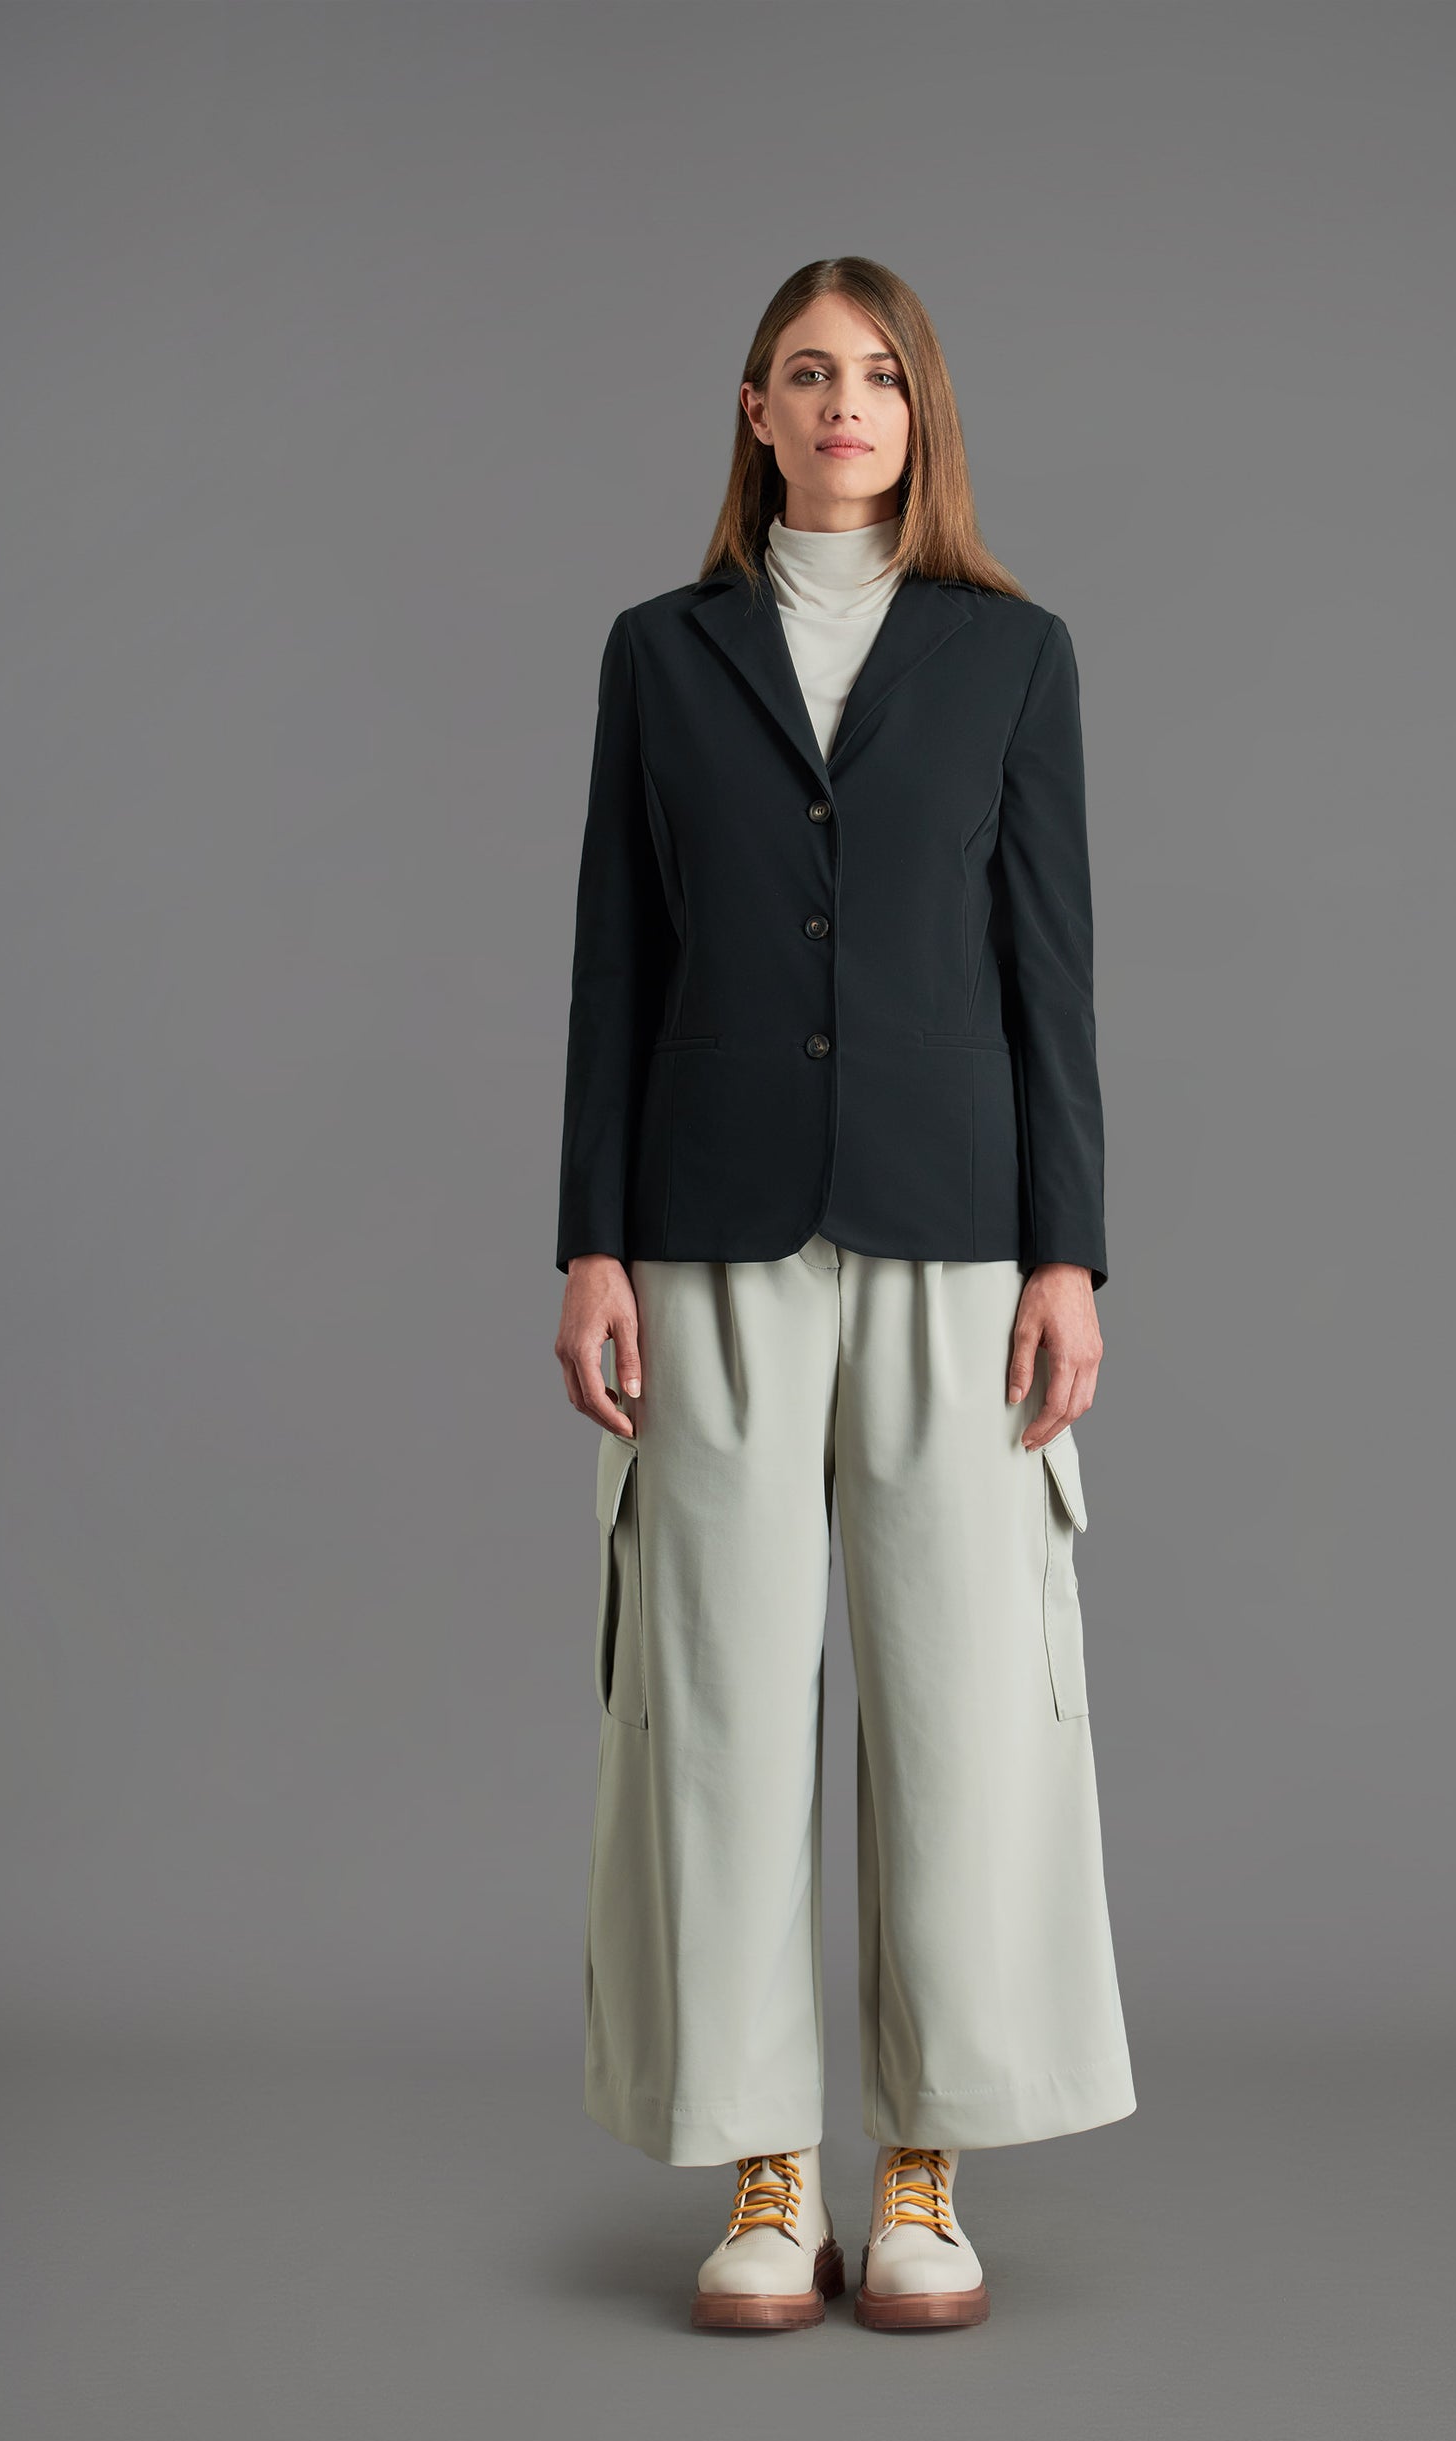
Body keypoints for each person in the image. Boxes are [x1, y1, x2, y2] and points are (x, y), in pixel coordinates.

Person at [553, 256, 1134, 2334]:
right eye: (804, 372)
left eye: (877, 373)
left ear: (919, 409)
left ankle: (923, 2170)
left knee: (960, 1706)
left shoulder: (1010, 654)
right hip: (707, 1227)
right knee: (717, 1703)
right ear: (753, 409)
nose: (841, 402)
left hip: (952, 1227)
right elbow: (616, 955)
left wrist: (1068, 1248)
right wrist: (587, 1237)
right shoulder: (661, 651)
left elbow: (1047, 970)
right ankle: (761, 2165)